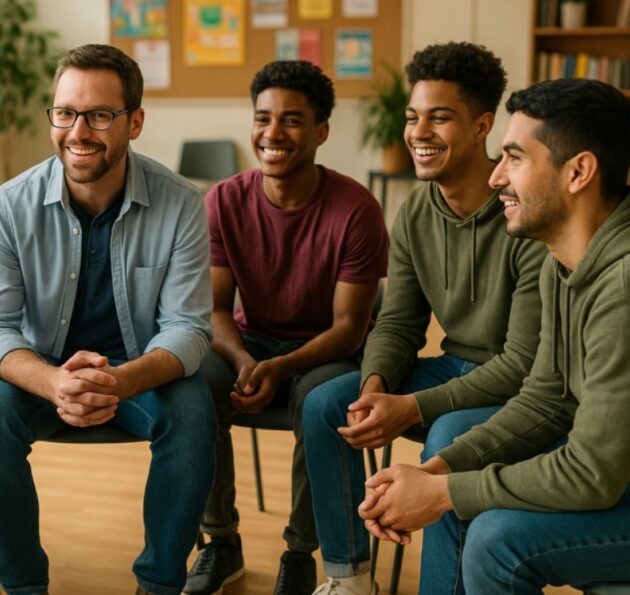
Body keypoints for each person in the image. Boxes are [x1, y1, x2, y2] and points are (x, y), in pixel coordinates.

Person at [360, 77, 630, 595]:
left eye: (514, 158)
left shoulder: (628, 284)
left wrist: (443, 492)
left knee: (495, 539)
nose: (495, 177)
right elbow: (546, 399)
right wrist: (436, 473)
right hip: (621, 469)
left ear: (578, 172)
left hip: (617, 476)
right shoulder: (563, 260)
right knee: (462, 489)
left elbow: (592, 473)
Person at [0, 44, 217, 595]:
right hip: (40, 371)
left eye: (99, 115)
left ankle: (159, 585)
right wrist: (54, 381)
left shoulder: (181, 204)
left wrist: (120, 381)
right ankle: (23, 586)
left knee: (194, 412)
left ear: (135, 122)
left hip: (139, 372)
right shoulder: (8, 205)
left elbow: (189, 328)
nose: (78, 131)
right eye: (65, 113)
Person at [302, 42, 546, 595]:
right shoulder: (414, 211)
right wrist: (375, 386)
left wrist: (409, 406)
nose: (419, 132)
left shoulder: (523, 210)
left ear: (482, 125)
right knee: (325, 404)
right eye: (413, 117)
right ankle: (349, 576)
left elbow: (523, 364)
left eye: (440, 117)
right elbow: (398, 323)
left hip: (517, 387)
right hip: (453, 367)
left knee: (446, 435)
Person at [184, 60, 388, 595]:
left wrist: (280, 367)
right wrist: (245, 360)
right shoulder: (223, 200)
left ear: (322, 131)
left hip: (326, 348)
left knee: (322, 402)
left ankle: (300, 552)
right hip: (249, 340)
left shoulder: (357, 210)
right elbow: (214, 310)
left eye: (292, 120)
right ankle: (220, 542)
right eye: (263, 118)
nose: (272, 133)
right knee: (192, 386)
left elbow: (350, 327)